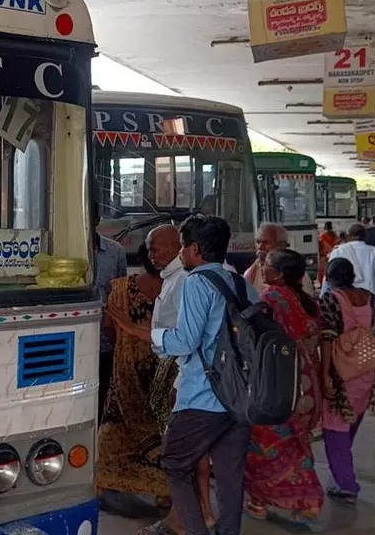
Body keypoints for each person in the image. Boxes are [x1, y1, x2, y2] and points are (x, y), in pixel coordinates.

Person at [113, 215, 256, 535]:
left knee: (175, 463)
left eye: (183, 247)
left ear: (194, 249)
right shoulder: (240, 282)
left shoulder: (197, 282)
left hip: (204, 394)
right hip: (242, 395)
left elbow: (185, 342)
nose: (180, 254)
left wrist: (139, 331)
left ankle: (194, 530)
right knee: (230, 476)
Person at [139, 224, 216, 534]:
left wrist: (175, 384)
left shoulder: (186, 280)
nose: (150, 255)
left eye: (155, 248)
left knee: (183, 449)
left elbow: (187, 340)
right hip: (172, 366)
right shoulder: (172, 278)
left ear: (177, 246)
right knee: (184, 447)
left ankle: (186, 517)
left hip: (180, 369)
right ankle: (197, 511)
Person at [244, 249, 324, 524]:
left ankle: (259, 501)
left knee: (265, 443)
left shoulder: (270, 300)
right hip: (307, 386)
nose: (262, 267)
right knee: (298, 443)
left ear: (277, 274)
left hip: (279, 384)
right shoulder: (308, 302)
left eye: (266, 264)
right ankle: (309, 500)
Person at [319, 258, 375, 503]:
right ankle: (343, 473)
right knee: (350, 421)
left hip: (343, 374)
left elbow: (327, 338)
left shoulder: (331, 300)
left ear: (329, 278)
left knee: (334, 429)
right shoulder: (371, 299)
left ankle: (347, 485)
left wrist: (325, 374)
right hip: (369, 371)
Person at [98, 243, 169, 504]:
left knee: (113, 435)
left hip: (126, 376)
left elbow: (110, 328)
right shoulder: (178, 288)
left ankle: (105, 481)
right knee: (164, 435)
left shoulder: (120, 289)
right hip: (166, 376)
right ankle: (166, 491)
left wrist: (124, 351)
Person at [243, 223, 316, 297]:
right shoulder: (250, 273)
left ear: (281, 245)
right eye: (258, 242)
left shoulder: (297, 276)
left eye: (266, 243)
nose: (260, 247)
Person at [322, 224, 375, 299]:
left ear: (348, 236)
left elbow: (328, 275)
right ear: (365, 236)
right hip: (370, 297)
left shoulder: (338, 251)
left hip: (345, 298)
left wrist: (323, 294)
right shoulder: (373, 251)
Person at [317, 221, 339, 286]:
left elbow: (321, 245)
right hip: (332, 255)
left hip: (324, 256)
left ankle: (322, 285)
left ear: (325, 227)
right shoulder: (334, 235)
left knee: (322, 272)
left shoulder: (322, 236)